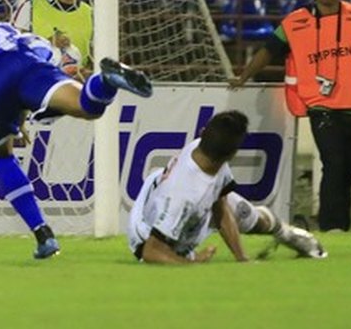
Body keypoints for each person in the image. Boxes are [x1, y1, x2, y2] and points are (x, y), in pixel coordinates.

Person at [0, 0, 153, 260]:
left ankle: (43, 234)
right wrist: (20, 115)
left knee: (0, 154)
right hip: (28, 64)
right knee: (85, 106)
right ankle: (105, 81)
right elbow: (44, 60)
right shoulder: (16, 33)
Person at [229, 0, 351, 232]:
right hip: (322, 107)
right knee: (333, 164)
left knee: (349, 170)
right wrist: (243, 76)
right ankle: (332, 226)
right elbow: (268, 50)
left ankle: (338, 224)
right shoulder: (295, 22)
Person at [128, 110, 327, 264]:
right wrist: (193, 263)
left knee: (251, 217)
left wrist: (241, 258)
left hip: (180, 196)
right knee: (175, 251)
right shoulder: (182, 195)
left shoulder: (206, 148)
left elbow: (220, 204)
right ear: (232, 154)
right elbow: (150, 251)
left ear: (203, 132)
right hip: (147, 236)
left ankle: (287, 233)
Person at [12, 0, 93, 79]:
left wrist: (86, 73)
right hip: (38, 84)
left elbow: (94, 59)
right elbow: (12, 47)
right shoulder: (32, 6)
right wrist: (45, 43)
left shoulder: (90, 13)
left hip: (76, 87)